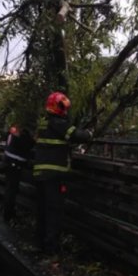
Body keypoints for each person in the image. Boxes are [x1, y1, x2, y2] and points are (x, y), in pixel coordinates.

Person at [32, 92, 91, 253]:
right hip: (54, 177)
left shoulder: (43, 123)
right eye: (63, 107)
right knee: (53, 212)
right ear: (57, 107)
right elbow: (77, 135)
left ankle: (39, 243)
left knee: (42, 211)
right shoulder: (58, 123)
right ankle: (51, 248)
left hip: (40, 175)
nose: (65, 110)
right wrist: (90, 133)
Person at [2, 124, 35, 222]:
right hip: (14, 165)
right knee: (11, 190)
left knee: (10, 189)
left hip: (8, 163)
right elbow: (28, 145)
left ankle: (8, 212)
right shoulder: (22, 135)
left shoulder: (13, 131)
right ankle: (8, 215)